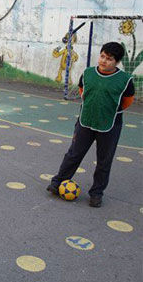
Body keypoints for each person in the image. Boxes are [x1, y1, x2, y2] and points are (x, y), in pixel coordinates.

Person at [47, 42, 135, 208]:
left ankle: (96, 194)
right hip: (85, 121)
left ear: (116, 62)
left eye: (109, 59)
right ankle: (58, 182)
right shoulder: (88, 73)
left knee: (104, 161)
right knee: (73, 154)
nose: (103, 61)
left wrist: (108, 110)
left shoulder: (125, 80)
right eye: (102, 56)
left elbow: (126, 102)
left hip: (110, 125)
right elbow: (83, 91)